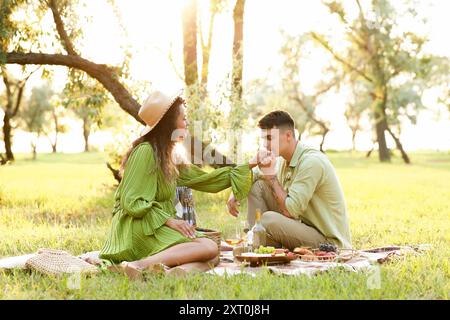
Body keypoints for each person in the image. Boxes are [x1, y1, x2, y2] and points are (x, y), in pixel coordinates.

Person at [99, 90, 256, 279]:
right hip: (137, 229)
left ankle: (169, 273)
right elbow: (131, 201)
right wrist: (170, 221)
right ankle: (136, 265)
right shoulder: (145, 152)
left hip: (154, 226)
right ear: (168, 123)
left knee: (212, 255)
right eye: (183, 118)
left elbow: (206, 180)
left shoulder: (168, 157)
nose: (187, 123)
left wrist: (250, 165)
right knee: (208, 247)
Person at [227, 110, 352, 250]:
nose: (265, 145)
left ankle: (254, 245)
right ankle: (254, 242)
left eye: (269, 138)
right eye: (263, 139)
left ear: (288, 135)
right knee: (257, 185)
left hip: (327, 243)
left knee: (267, 219)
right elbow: (253, 173)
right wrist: (235, 191)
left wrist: (272, 178)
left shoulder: (311, 162)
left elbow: (290, 211)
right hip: (301, 228)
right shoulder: (281, 159)